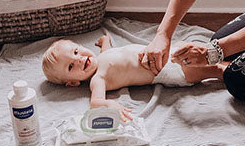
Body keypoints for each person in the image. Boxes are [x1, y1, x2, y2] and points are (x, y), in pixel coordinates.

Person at [42, 35, 227, 121]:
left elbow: (109, 53)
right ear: (73, 82)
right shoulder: (98, 79)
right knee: (216, 70)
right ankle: (235, 72)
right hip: (169, 72)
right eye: (71, 66)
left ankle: (233, 59)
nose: (80, 58)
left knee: (205, 54)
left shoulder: (99, 60)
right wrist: (110, 105)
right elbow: (96, 102)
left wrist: (105, 41)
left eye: (76, 51)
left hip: (164, 54)